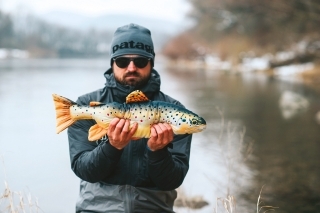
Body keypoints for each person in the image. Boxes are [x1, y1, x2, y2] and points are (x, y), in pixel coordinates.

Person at [67, 23, 193, 213]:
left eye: (141, 61)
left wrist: (158, 152)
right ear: (112, 63)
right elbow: (84, 170)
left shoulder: (176, 113)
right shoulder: (86, 105)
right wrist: (112, 147)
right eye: (122, 61)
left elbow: (173, 180)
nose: (131, 67)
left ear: (151, 63)